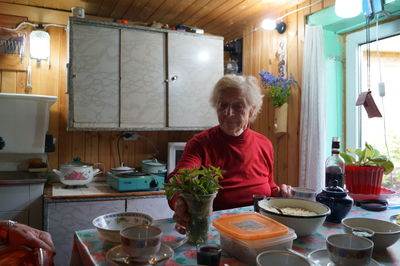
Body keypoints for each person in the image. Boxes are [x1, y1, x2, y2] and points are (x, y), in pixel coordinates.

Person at [167, 74, 292, 234]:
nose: (228, 112)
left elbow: (269, 186)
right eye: (223, 105)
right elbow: (177, 179)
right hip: (216, 231)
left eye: (238, 106)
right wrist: (180, 201)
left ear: (252, 110)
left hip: (259, 229)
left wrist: (280, 193)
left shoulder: (264, 144)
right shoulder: (200, 144)